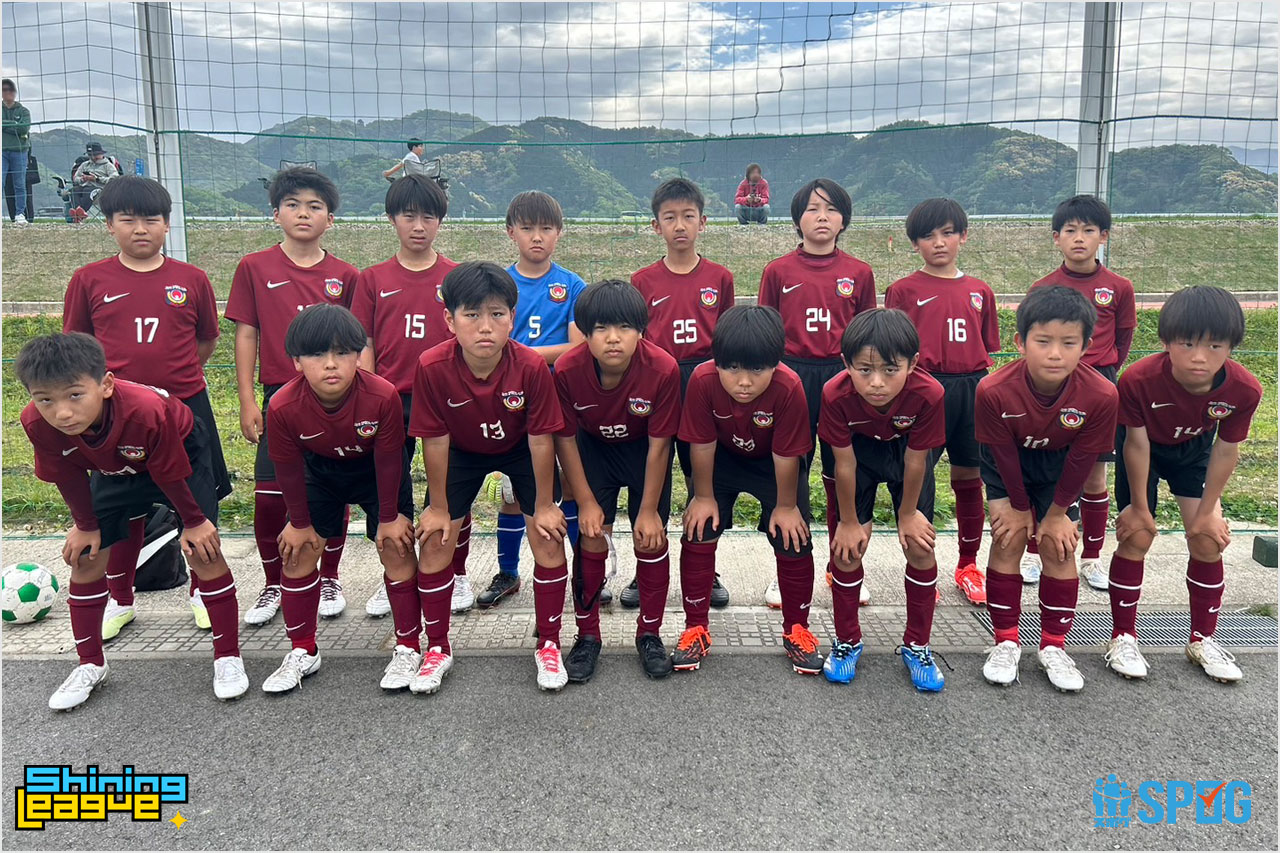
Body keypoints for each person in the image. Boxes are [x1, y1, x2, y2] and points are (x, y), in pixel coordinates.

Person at [17, 333, 247, 709]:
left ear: (106, 384)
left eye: (75, 395)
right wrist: (85, 525)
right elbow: (68, 475)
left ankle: (228, 657)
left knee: (203, 549)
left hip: (180, 451)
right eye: (46, 400)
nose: (62, 413)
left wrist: (193, 521)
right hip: (113, 466)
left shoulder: (146, 411)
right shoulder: (36, 423)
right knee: (86, 557)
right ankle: (90, 664)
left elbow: (169, 472)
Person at [61, 176, 231, 638]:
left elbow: (206, 341)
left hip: (185, 409)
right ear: (109, 225)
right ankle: (120, 598)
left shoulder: (191, 279)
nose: (140, 229)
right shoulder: (89, 279)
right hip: (114, 416)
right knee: (121, 507)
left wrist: (170, 386)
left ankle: (201, 589)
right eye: (128, 219)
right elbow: (77, 349)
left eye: (151, 219)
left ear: (167, 224)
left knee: (199, 504)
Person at [409, 261, 570, 693]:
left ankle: (549, 642)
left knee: (548, 535)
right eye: (472, 315)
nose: (485, 327)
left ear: (512, 318)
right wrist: (438, 507)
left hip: (520, 449)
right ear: (449, 319)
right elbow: (435, 439)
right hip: (461, 452)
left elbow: (541, 439)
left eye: (497, 314)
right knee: (436, 539)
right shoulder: (432, 365)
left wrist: (544, 505)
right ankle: (437, 647)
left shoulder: (530, 366)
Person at [224, 167, 360, 627]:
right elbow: (247, 334)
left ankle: (329, 577)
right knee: (270, 497)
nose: (304, 214)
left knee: (332, 491)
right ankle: (273, 583)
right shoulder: (254, 267)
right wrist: (248, 400)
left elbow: (357, 343)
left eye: (315, 206)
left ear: (330, 219)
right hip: (279, 398)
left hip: (334, 398)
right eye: (293, 205)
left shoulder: (346, 275)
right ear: (275, 213)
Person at [1106, 286, 1261, 683]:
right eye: (1187, 343)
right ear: (1166, 342)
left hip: (1194, 452)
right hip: (1144, 450)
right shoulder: (1138, 379)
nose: (1199, 357)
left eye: (1214, 346)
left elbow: (1226, 450)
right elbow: (1136, 444)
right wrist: (1140, 509)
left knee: (1208, 540)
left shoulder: (1244, 390)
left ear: (1231, 347)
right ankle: (1123, 637)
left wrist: (1208, 513)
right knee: (1137, 534)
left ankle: (1202, 640)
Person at [262, 305, 419, 694]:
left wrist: (389, 517)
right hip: (321, 474)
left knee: (396, 544)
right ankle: (303, 650)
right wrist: (298, 523)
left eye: (343, 352)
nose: (331, 364)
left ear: (359, 356)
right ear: (296, 361)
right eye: (317, 354)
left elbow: (389, 459)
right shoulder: (282, 405)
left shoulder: (382, 395)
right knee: (297, 550)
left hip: (376, 472)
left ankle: (408, 647)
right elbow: (288, 468)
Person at [975, 286, 1118, 692]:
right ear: (1021, 342)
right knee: (1008, 538)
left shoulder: (1102, 394)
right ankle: (1005, 641)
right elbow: (1001, 455)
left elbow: (1082, 459)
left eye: (1068, 343)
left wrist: (1056, 515)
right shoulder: (993, 390)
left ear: (1086, 346)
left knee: (1059, 546)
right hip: (1008, 467)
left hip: (1061, 469)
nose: (1055, 353)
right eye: (1043, 341)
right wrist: (1018, 508)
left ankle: (1054, 645)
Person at [673, 305, 817, 674]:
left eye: (756, 370)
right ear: (717, 360)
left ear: (776, 363)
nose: (744, 382)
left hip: (773, 464)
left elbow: (787, 455)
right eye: (733, 369)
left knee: (793, 536)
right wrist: (703, 497)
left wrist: (786, 506)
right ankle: (695, 627)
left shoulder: (789, 387)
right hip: (721, 461)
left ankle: (797, 629)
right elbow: (701, 444)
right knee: (698, 528)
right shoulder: (703, 380)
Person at [553, 280, 682, 682]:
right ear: (585, 333)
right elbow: (565, 441)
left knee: (651, 538)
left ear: (641, 330)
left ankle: (650, 634)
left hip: (644, 453)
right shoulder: (567, 369)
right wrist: (586, 501)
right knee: (591, 536)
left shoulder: (663, 368)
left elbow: (660, 445)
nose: (613, 338)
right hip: (594, 451)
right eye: (601, 328)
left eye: (625, 327)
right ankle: (588, 635)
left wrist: (648, 510)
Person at [351, 174, 466, 618]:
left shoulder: (455, 277)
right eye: (409, 216)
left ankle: (455, 571)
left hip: (445, 400)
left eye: (428, 217)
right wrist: (370, 392)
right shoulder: (372, 279)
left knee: (450, 489)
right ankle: (394, 574)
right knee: (388, 490)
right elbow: (363, 342)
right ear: (391, 219)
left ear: (441, 222)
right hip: (390, 401)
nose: (419, 226)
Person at [757, 178, 875, 610]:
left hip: (843, 378)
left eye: (830, 209)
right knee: (791, 471)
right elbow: (766, 331)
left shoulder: (859, 272)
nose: (821, 217)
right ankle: (786, 567)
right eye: (811, 209)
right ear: (797, 220)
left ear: (844, 220)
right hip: (792, 375)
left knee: (842, 469)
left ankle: (842, 563)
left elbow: (868, 336)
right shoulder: (778, 271)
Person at [818, 309, 948, 691]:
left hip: (908, 456)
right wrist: (847, 522)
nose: (876, 382)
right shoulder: (834, 394)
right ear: (846, 364)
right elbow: (843, 463)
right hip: (857, 458)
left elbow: (917, 459)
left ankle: (917, 645)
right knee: (847, 551)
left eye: (891, 370)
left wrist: (907, 513)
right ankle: (847, 640)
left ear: (913, 364)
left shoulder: (929, 394)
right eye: (864, 370)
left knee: (920, 546)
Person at [623, 176, 735, 609]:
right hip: (655, 383)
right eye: (670, 218)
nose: (680, 225)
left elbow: (728, 341)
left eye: (688, 216)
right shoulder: (642, 280)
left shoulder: (720, 278)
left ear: (703, 222)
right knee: (649, 476)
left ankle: (705, 568)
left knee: (701, 479)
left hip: (703, 383)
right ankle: (645, 565)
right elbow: (634, 341)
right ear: (657, 226)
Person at [884, 198, 1000, 606]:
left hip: (971, 387)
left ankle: (968, 564)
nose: (938, 242)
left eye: (947, 233)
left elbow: (986, 346)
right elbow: (893, 349)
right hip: (922, 389)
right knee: (917, 477)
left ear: (963, 236)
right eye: (928, 235)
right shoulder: (902, 290)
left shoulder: (980, 291)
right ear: (914, 243)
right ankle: (922, 568)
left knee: (970, 476)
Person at [478, 190, 587, 610]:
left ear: (559, 233)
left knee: (571, 486)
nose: (536, 237)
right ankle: (508, 571)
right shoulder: (499, 286)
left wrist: (521, 355)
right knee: (514, 493)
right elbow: (489, 342)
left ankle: (583, 571)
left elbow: (577, 347)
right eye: (527, 228)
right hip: (511, 405)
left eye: (546, 228)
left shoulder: (572, 285)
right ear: (511, 232)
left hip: (560, 400)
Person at [1026, 195, 1136, 590]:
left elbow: (1123, 337)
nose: (1079, 238)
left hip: (1099, 384)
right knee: (1046, 469)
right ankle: (1035, 552)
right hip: (1053, 384)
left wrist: (1103, 373)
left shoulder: (1119, 287)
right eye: (1070, 230)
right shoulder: (1043, 287)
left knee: (1093, 476)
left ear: (1103, 236)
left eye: (1088, 230)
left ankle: (1092, 556)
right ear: (1056, 237)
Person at [2, 78, 31, 225]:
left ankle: (20, 213)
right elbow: (19, 128)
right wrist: (14, 125)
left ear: (15, 92)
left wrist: (4, 125)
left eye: (10, 89)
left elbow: (24, 128)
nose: (8, 92)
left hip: (20, 151)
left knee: (19, 184)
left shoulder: (23, 111)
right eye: (4, 89)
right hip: (2, 151)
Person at [71, 141, 122, 218]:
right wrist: (82, 179)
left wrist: (97, 179)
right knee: (73, 191)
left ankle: (81, 212)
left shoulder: (108, 165)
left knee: (87, 191)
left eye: (95, 155)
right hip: (84, 186)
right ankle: (77, 211)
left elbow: (114, 179)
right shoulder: (84, 165)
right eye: (90, 155)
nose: (93, 157)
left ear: (101, 154)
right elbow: (75, 178)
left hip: (101, 190)